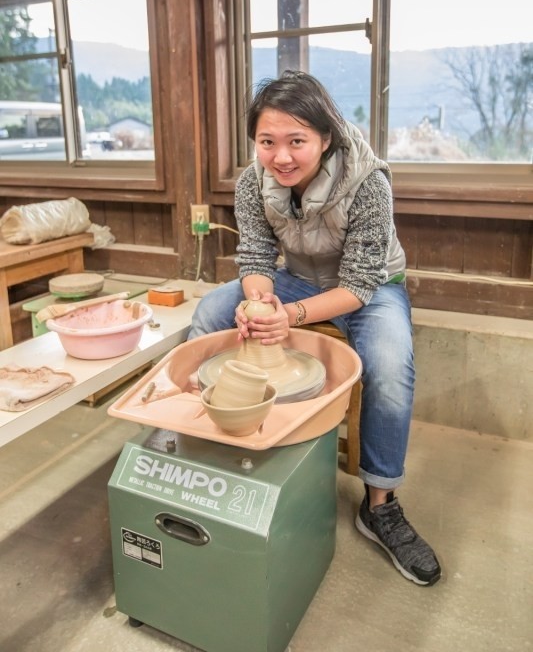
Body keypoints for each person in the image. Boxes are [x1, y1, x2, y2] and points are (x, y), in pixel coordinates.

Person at [188, 70, 441, 586]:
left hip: (371, 287)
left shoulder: (368, 181)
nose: (280, 156)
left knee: (390, 364)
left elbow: (359, 283)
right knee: (213, 310)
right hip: (299, 279)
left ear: (326, 137)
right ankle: (204, 438)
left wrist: (289, 317)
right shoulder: (252, 182)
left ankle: (380, 505)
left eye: (296, 141)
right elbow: (256, 255)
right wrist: (259, 302)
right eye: (267, 142)